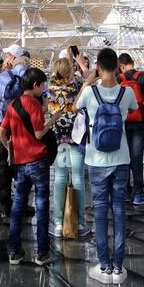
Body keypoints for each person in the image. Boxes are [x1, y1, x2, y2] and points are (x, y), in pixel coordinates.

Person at [80, 47, 138, 283]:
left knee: (101, 212)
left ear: (98, 67)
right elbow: (134, 109)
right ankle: (118, 267)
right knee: (120, 210)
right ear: (116, 67)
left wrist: (88, 81)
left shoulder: (90, 93)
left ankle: (104, 265)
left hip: (96, 159)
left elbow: (75, 106)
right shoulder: (127, 93)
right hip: (121, 158)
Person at [0, 67, 55, 266]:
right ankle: (42, 252)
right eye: (42, 85)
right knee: (41, 205)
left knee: (18, 206)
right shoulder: (34, 104)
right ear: (36, 85)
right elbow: (39, 134)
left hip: (20, 163)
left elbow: (1, 133)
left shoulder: (13, 104)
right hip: (38, 161)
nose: (43, 89)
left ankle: (14, 251)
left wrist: (10, 149)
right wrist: (53, 121)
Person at [0, 44, 30, 217]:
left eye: (8, 55)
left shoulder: (1, 77)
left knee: (4, 165)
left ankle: (4, 205)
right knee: (24, 165)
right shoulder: (32, 76)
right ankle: (22, 204)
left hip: (4, 125)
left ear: (13, 58)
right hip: (25, 127)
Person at [45, 52, 89, 239]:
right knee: (78, 178)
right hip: (76, 137)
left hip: (58, 139)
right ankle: (80, 222)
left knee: (60, 178)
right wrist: (83, 66)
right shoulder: (77, 85)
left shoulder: (50, 89)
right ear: (70, 71)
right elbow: (90, 78)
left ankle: (57, 222)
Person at [118, 52, 144, 206]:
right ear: (132, 62)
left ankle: (126, 192)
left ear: (121, 65)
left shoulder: (119, 79)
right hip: (140, 120)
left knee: (125, 156)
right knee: (137, 156)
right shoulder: (142, 76)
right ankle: (139, 193)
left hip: (125, 120)